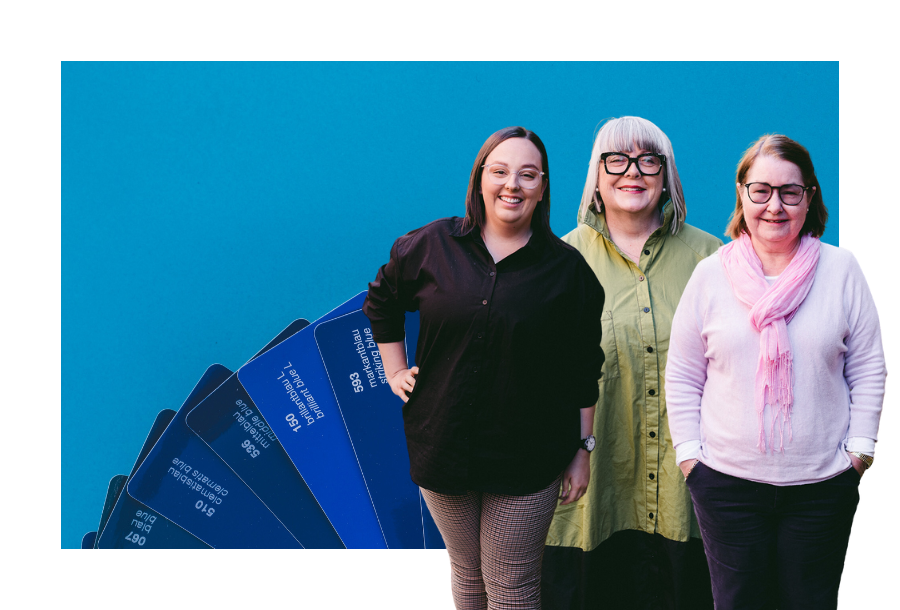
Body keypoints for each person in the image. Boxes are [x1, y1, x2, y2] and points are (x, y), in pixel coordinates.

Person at [363, 126, 605, 610]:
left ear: (542, 188)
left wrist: (583, 448)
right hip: (442, 443)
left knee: (511, 587)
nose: (512, 184)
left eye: (527, 175)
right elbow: (383, 301)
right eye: (499, 171)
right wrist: (394, 371)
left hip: (528, 456)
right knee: (469, 579)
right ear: (479, 180)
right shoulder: (431, 246)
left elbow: (583, 365)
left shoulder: (567, 271)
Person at [666, 134, 886, 610]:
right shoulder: (710, 275)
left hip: (822, 486)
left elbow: (868, 367)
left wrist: (860, 453)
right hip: (726, 484)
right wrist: (690, 459)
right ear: (742, 193)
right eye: (761, 190)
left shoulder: (841, 269)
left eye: (791, 192)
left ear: (810, 198)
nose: (775, 206)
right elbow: (683, 373)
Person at [542, 116, 721, 610]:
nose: (633, 172)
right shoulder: (558, 261)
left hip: (687, 500)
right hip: (589, 501)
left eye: (648, 160)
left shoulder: (712, 259)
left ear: (667, 175)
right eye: (616, 160)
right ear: (596, 176)